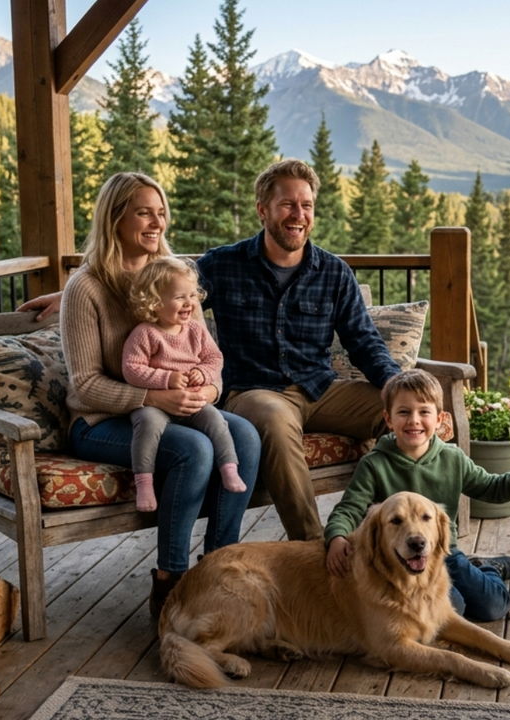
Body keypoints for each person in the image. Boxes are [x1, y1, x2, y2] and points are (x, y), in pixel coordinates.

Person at [23, 159, 398, 543]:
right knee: (259, 426)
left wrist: (400, 385)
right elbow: (166, 288)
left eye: (307, 205)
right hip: (256, 392)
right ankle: (315, 551)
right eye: (287, 204)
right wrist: (69, 294)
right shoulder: (223, 265)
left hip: (321, 389)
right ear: (262, 210)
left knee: (407, 410)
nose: (298, 214)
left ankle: (420, 538)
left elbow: (364, 341)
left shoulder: (334, 272)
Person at [58, 172, 260, 620]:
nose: (157, 222)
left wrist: (207, 388)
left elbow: (210, 359)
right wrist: (152, 399)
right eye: (144, 212)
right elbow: (85, 385)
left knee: (244, 436)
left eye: (161, 211)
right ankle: (170, 583)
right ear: (115, 218)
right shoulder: (85, 289)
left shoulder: (175, 276)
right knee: (193, 449)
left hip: (173, 409)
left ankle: (219, 571)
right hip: (99, 422)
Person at [324, 369, 510, 621]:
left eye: (424, 412)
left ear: (440, 419)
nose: (414, 420)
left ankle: (488, 568)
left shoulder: (453, 458)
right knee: (453, 611)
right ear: (388, 419)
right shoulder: (374, 464)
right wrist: (336, 536)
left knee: (494, 607)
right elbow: (350, 508)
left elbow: (494, 489)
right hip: (400, 560)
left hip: (444, 552)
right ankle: (472, 581)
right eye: (404, 412)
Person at [122, 256, 246, 513]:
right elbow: (131, 370)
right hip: (156, 403)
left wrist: (203, 372)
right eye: (179, 297)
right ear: (154, 303)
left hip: (191, 401)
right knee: (147, 424)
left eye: (192, 295)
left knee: (216, 421)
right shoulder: (145, 333)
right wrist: (166, 379)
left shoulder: (196, 331)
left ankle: (229, 469)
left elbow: (215, 357)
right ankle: (144, 481)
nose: (189, 303)